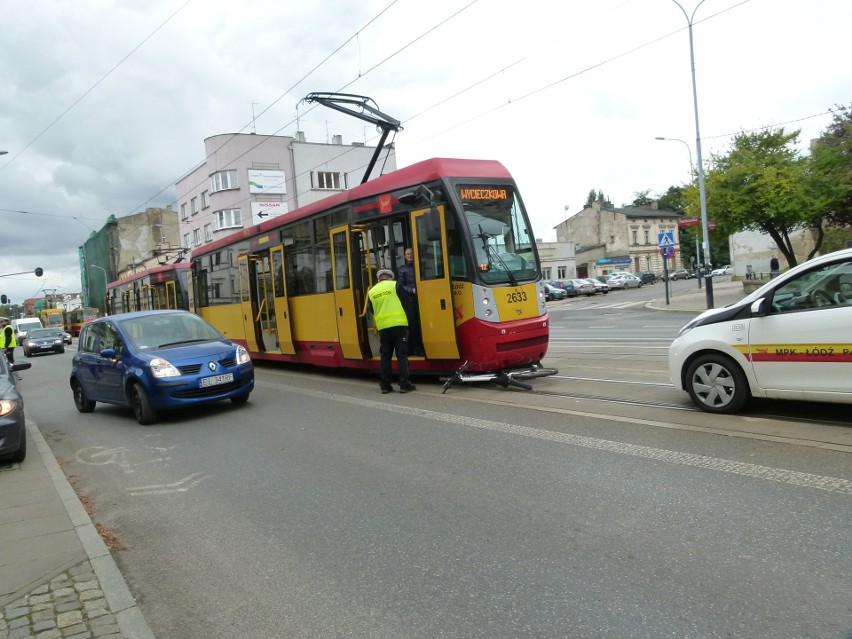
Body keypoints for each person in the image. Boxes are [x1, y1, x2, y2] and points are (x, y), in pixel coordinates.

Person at [367, 269, 415, 394]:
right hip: (399, 325)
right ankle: (404, 384)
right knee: (401, 355)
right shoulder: (395, 285)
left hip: (383, 328)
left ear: (379, 279)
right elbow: (407, 302)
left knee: (385, 356)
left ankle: (385, 385)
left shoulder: (372, 292)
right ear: (389, 277)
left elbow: (372, 310)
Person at [397, 247, 423, 356]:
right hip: (410, 300)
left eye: (411, 253)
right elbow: (401, 286)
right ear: (404, 256)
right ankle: (416, 348)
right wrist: (412, 290)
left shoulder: (420, 266)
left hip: (421, 298)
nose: (410, 255)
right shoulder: (402, 269)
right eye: (407, 254)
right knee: (413, 325)